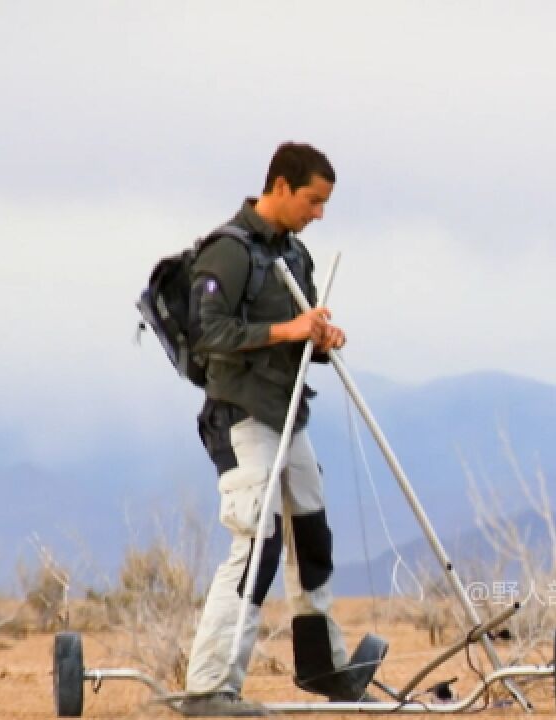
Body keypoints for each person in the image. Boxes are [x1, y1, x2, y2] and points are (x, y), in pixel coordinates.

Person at [181, 142, 374, 716]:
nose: (319, 214)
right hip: (239, 416)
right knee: (256, 545)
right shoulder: (228, 251)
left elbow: (300, 336)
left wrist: (319, 339)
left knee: (311, 535)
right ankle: (210, 689)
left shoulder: (296, 257)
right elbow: (207, 333)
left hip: (288, 416)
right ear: (282, 186)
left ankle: (325, 668)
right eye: (313, 200)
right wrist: (290, 330)